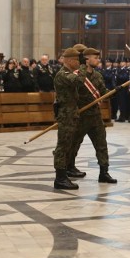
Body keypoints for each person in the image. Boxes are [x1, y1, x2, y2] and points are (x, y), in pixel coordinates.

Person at [68, 47, 117, 184]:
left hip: (95, 116)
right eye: (95, 58)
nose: (98, 60)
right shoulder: (78, 75)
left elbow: (102, 91)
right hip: (81, 116)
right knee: (74, 143)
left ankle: (104, 172)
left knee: (101, 144)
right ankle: (68, 167)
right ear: (87, 59)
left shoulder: (97, 75)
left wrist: (114, 92)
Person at [52, 47, 81, 190]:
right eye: (76, 60)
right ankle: (60, 178)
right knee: (63, 146)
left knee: (68, 144)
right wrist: (83, 69)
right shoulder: (62, 74)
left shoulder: (69, 72)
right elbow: (77, 81)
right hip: (65, 113)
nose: (78, 63)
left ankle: (64, 174)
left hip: (71, 113)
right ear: (69, 60)